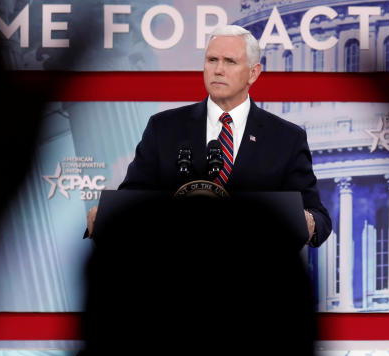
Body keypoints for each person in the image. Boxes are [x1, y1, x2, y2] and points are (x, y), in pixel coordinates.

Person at [89, 25, 331, 246]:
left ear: (253, 73)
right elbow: (132, 199)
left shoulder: (286, 138)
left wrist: (307, 221)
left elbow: (319, 217)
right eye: (212, 60)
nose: (218, 70)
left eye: (230, 62)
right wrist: (108, 213)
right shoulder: (164, 128)